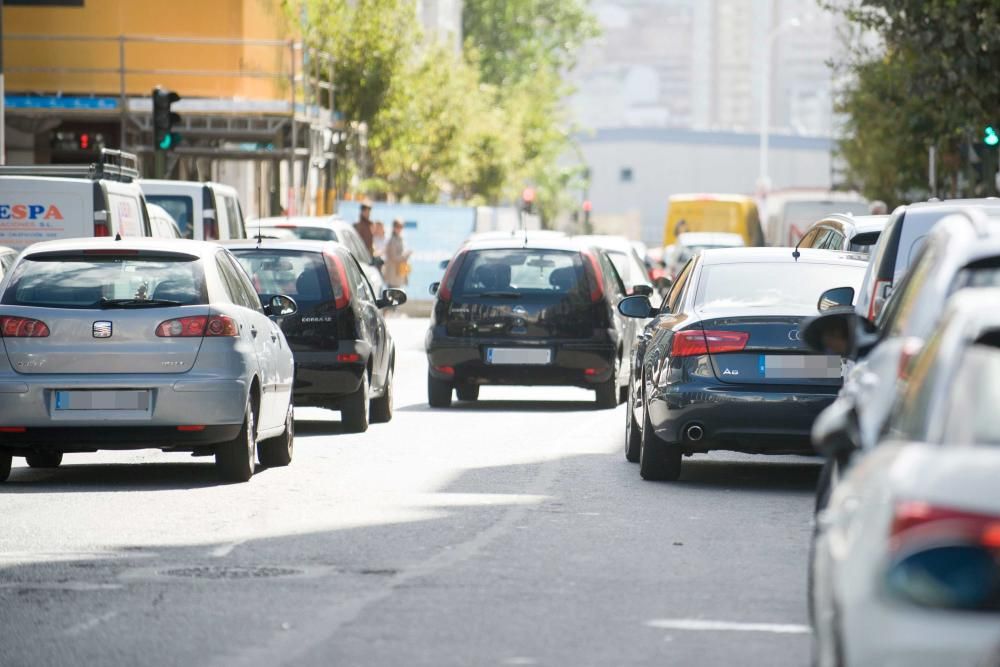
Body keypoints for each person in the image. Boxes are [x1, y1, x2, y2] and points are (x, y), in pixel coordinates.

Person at [383, 218, 412, 288]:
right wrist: (405, 256)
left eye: (401, 227)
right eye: (398, 226)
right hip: (393, 274)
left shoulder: (400, 239)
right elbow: (394, 258)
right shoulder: (392, 240)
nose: (400, 229)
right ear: (394, 227)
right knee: (393, 293)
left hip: (399, 273)